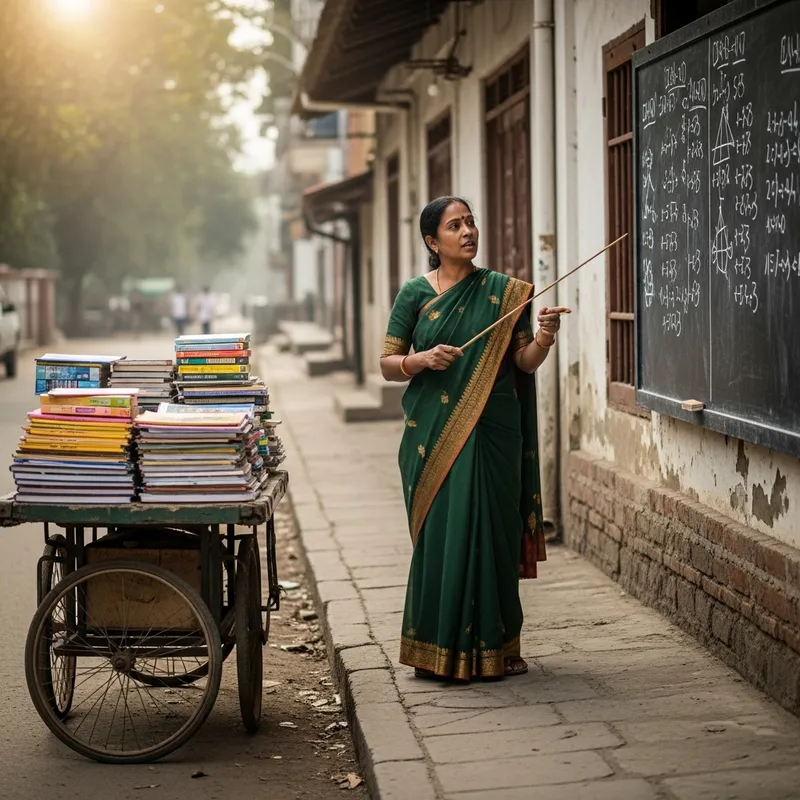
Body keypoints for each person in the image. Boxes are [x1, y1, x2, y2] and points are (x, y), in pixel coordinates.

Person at [380, 196, 571, 681]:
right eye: (454, 225)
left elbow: (523, 363)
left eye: (471, 222)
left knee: (495, 535)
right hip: (435, 436)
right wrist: (421, 361)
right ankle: (434, 648)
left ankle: (500, 646)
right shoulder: (414, 295)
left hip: (495, 434)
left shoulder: (505, 295)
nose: (468, 231)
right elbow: (387, 365)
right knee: (446, 536)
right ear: (432, 241)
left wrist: (545, 335)